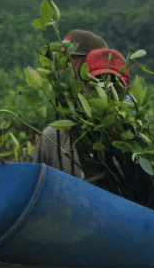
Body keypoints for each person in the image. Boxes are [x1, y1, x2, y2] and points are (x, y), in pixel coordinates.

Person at [25, 30, 108, 179]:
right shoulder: (53, 136)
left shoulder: (119, 133)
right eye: (61, 65)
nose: (63, 73)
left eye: (70, 64)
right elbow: (30, 180)